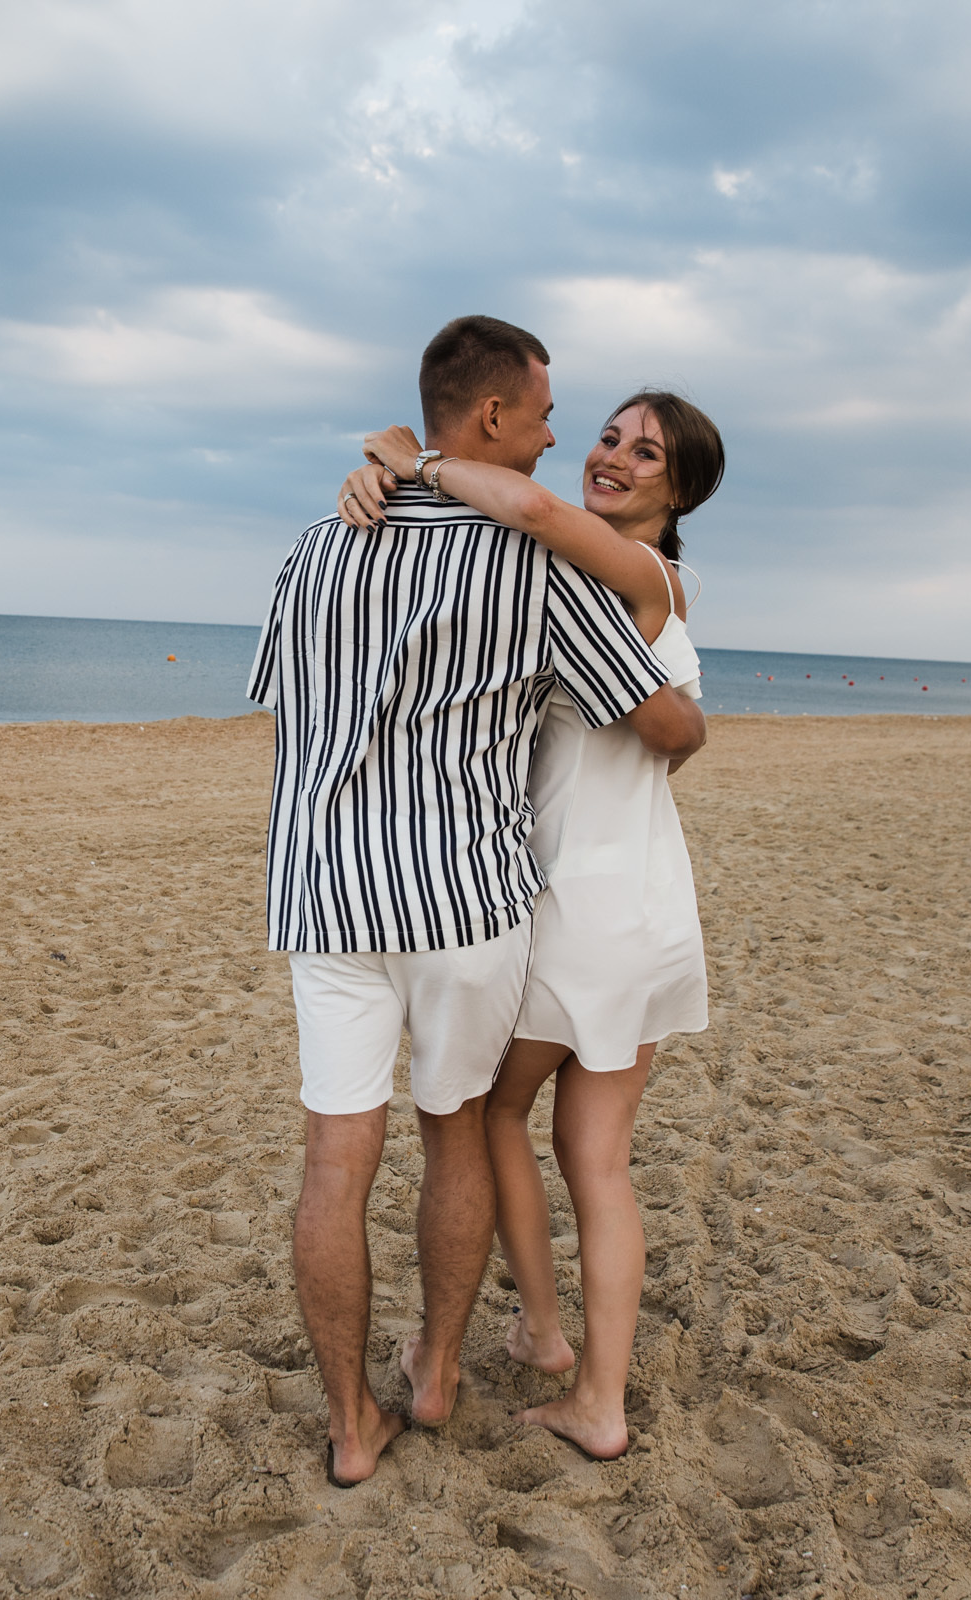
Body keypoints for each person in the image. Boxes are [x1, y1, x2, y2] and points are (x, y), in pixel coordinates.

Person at [247, 317, 707, 1488]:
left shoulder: (313, 545)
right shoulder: (538, 568)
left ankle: (355, 1423)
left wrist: (397, 470)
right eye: (552, 417)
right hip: (467, 898)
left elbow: (288, 705)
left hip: (328, 890)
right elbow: (659, 719)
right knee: (459, 1124)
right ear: (495, 419)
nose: (562, 439)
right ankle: (441, 1369)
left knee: (334, 1159)